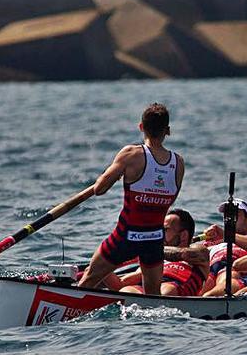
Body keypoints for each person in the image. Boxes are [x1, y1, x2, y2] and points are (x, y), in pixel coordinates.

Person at [78, 103, 185, 294]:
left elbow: (99, 189)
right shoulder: (178, 163)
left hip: (125, 236)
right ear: (167, 131)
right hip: (154, 239)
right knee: (153, 298)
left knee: (87, 280)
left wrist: (121, 173)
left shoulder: (131, 154)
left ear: (141, 127)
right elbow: (171, 199)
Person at [118, 209, 209, 296]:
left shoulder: (198, 250)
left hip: (172, 288)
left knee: (166, 291)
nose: (160, 234)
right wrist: (106, 259)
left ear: (183, 235)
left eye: (165, 230)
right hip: (149, 290)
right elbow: (120, 283)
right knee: (125, 291)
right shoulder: (153, 258)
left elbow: (186, 254)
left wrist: (149, 249)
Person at [200, 199, 247, 297]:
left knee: (226, 277)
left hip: (234, 268)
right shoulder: (215, 239)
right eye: (226, 216)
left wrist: (227, 234)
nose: (229, 219)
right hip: (211, 269)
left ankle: (208, 299)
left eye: (234, 215)